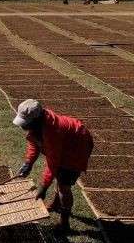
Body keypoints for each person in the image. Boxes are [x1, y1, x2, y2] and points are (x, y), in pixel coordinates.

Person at [13, 99, 94, 233]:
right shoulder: (38, 124)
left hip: (77, 148)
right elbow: (34, 142)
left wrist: (44, 188)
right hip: (66, 143)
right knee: (59, 176)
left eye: (26, 123)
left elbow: (53, 163)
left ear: (36, 120)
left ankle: (64, 223)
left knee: (64, 186)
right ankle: (57, 205)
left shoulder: (52, 131)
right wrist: (28, 163)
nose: (23, 127)